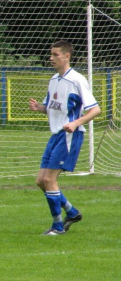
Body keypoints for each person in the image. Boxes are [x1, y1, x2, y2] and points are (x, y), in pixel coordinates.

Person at [29, 40, 101, 235]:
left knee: (49, 179)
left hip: (70, 135)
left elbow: (95, 109)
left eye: (55, 55)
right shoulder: (54, 80)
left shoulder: (77, 80)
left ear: (66, 56)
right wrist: (39, 108)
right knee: (40, 181)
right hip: (55, 135)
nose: (51, 58)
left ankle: (57, 226)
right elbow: (50, 108)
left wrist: (76, 123)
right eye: (50, 54)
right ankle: (72, 212)